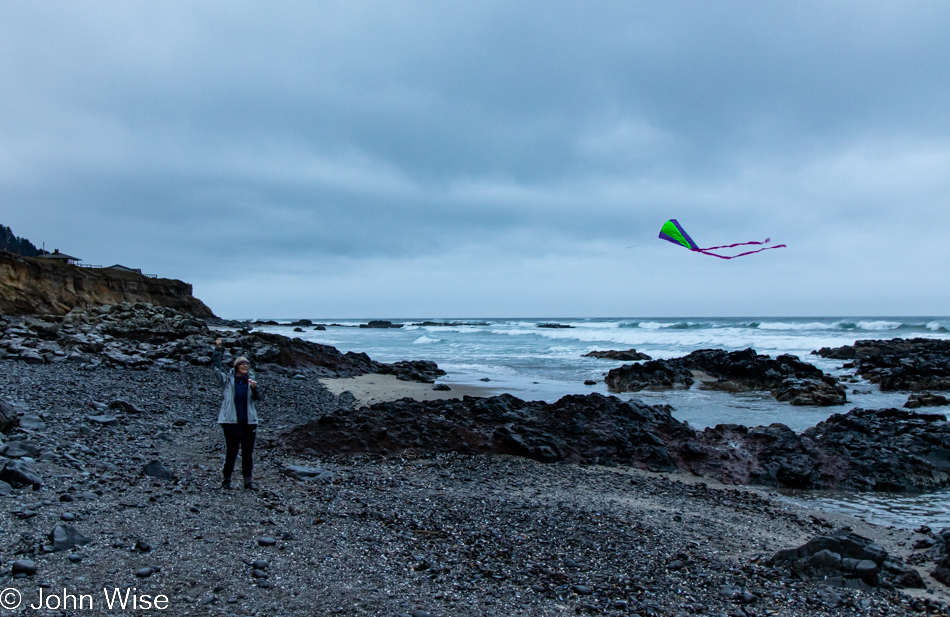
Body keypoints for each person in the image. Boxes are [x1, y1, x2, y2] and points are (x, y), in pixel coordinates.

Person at [212, 338, 262, 490]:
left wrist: (255, 389)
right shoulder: (227, 380)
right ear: (236, 367)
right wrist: (218, 348)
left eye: (247, 364)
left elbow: (258, 399)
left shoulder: (251, 381)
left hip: (249, 423)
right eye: (242, 364)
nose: (245, 365)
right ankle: (226, 480)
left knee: (248, 453)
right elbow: (216, 366)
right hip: (231, 423)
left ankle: (248, 482)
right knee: (231, 452)